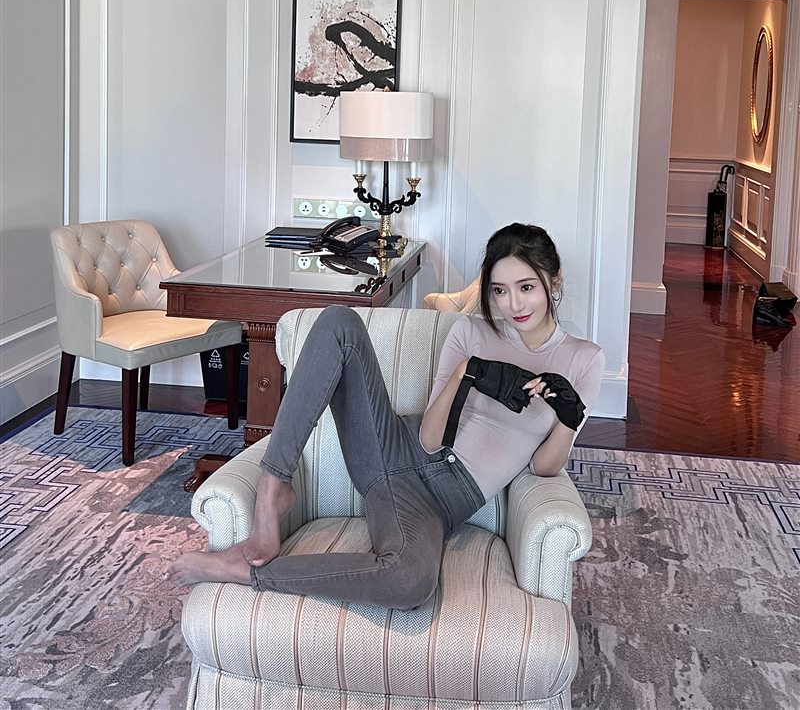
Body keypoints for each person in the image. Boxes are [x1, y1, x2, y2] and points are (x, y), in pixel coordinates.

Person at [166, 222, 605, 608]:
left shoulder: (584, 360)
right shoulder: (471, 331)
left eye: (526, 287)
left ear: (554, 281)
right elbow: (429, 439)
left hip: (437, 501)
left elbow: (543, 467)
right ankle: (272, 488)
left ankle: (246, 572)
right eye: (499, 291)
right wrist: (468, 375)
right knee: (339, 323)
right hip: (392, 448)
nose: (513, 304)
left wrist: (568, 416)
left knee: (409, 581)